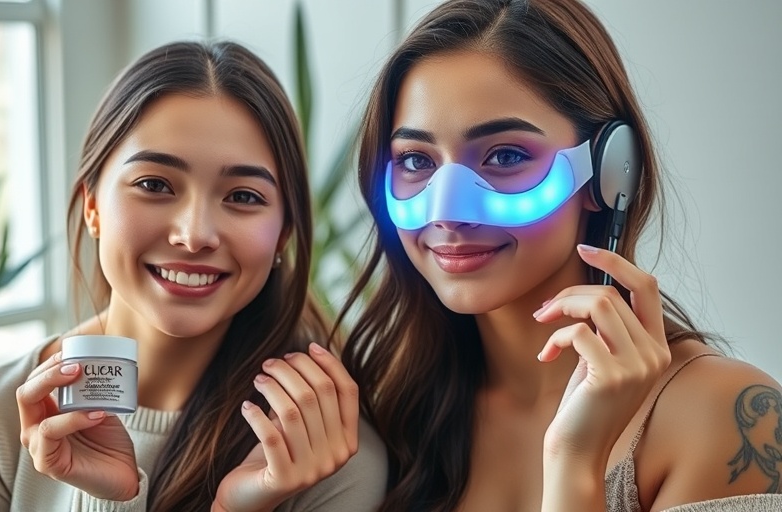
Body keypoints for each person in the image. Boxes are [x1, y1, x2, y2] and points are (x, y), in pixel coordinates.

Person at [335, 0, 782, 510]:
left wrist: (577, 461)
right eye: (416, 160)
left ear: (610, 170)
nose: (448, 213)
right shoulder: (388, 413)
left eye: (505, 156)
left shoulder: (728, 418)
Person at [0, 41, 387, 512]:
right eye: (154, 185)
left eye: (243, 196)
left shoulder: (330, 456)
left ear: (284, 234)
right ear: (92, 206)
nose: (195, 235)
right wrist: (107, 499)